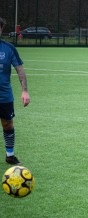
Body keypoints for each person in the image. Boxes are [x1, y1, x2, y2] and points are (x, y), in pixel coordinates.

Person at [0, 17, 30, 165]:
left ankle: (10, 155)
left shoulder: (9, 48)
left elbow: (20, 71)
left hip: (4, 96)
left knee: (8, 125)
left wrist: (25, 91)